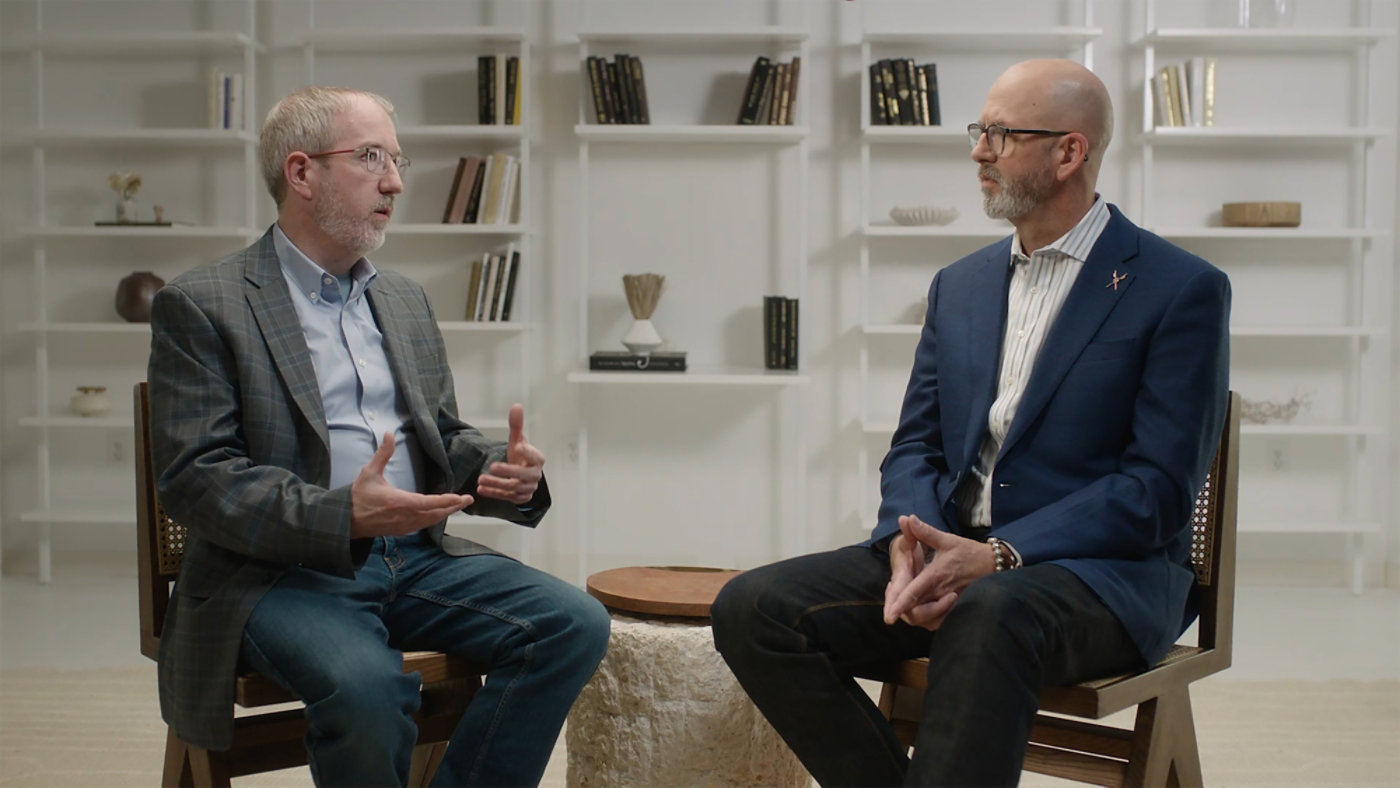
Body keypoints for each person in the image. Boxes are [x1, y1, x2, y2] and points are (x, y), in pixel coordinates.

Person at [711, 58, 1231, 786]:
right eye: (978, 131)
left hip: (1103, 577)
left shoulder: (1179, 290)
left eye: (1000, 134)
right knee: (754, 609)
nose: (978, 151)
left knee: (987, 613)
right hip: (958, 556)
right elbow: (917, 445)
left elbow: (1156, 492)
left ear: (1069, 152)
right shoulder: (960, 286)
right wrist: (906, 540)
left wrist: (1002, 554)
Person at [146, 86, 610, 787]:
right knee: (367, 690)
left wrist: (494, 470)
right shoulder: (203, 304)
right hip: (277, 575)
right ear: (301, 174)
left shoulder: (402, 299)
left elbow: (441, 436)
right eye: (371, 158)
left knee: (572, 622)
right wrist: (343, 515)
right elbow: (197, 477)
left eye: (397, 160)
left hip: (413, 561)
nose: (395, 181)